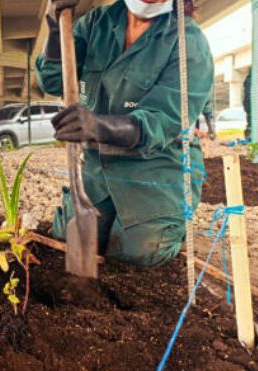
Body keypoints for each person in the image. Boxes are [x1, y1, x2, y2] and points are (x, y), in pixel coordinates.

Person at [37, 0, 214, 267]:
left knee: (139, 255)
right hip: (98, 167)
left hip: (155, 168)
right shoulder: (98, 23)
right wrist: (54, 28)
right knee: (65, 238)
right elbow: (51, 80)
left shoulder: (188, 42)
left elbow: (161, 121)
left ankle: (171, 226)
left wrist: (98, 126)